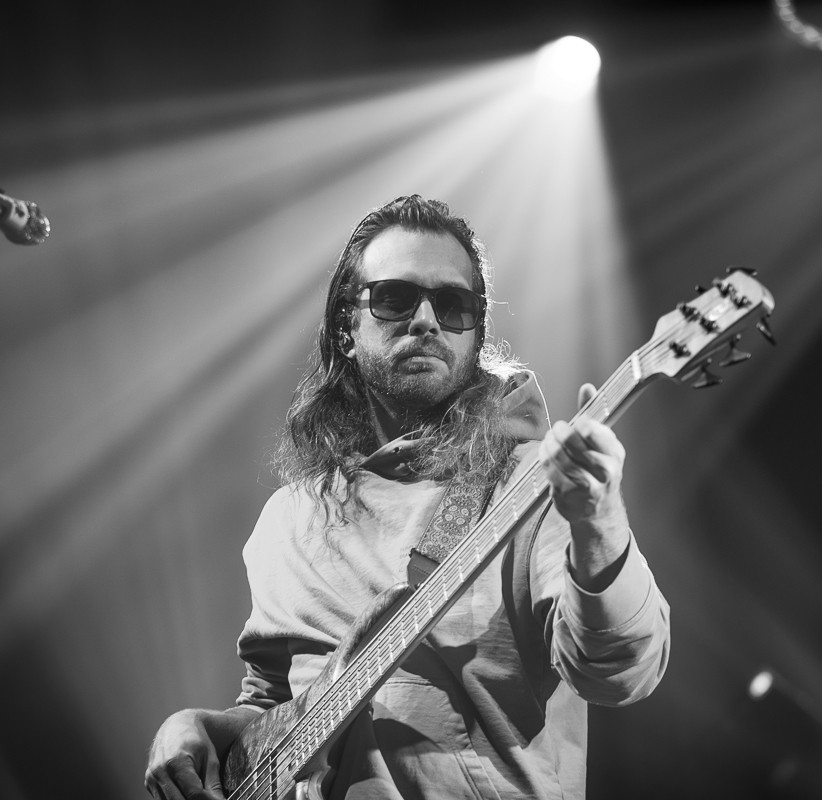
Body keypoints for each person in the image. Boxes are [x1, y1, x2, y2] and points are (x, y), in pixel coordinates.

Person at [144, 195, 670, 800]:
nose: (426, 321)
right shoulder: (288, 518)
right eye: (395, 298)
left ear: (475, 334)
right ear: (346, 327)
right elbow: (276, 709)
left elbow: (622, 674)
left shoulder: (532, 485)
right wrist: (195, 727)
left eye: (452, 305)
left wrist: (598, 524)